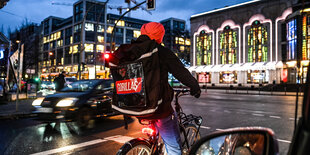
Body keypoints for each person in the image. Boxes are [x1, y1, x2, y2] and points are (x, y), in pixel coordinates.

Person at [115, 22, 201, 155]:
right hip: (159, 109)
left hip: (136, 106)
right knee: (174, 148)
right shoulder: (161, 52)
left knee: (155, 134)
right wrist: (195, 87)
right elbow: (181, 72)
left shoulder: (131, 51)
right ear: (160, 36)